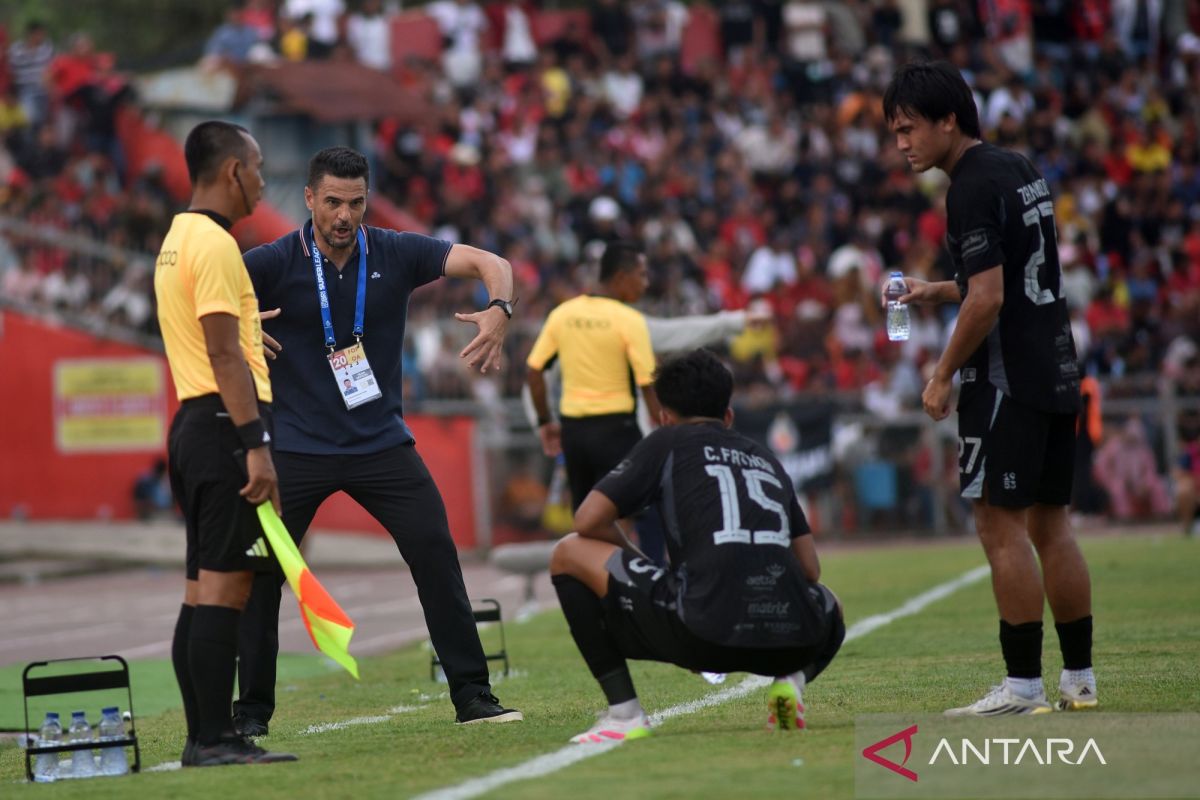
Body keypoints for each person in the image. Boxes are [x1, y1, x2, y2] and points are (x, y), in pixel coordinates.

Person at [235, 146, 521, 732]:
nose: (344, 215)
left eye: (356, 202)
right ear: (309, 198)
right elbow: (195, 295)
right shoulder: (270, 261)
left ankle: (473, 696)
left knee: (437, 555)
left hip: (380, 443)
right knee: (260, 573)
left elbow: (492, 262)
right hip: (296, 446)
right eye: (333, 202)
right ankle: (251, 715)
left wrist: (501, 309)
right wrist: (237, 326)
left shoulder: (395, 249)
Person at [882, 61, 1095, 715]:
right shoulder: (1019, 167)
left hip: (1005, 378)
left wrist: (943, 372)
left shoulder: (968, 187)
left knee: (997, 526)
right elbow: (1001, 277)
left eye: (908, 129)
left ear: (949, 119)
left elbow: (989, 299)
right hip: (1057, 364)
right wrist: (935, 290)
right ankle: (1079, 680)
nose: (902, 144)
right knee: (1051, 525)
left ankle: (1023, 686)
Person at [549, 349, 844, 742]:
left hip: (701, 634)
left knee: (568, 551)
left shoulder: (668, 441)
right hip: (790, 641)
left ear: (664, 417)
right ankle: (791, 682)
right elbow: (810, 570)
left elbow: (587, 520)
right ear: (729, 415)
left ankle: (624, 714)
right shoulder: (766, 456)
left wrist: (645, 569)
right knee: (830, 601)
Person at [155, 120, 296, 766]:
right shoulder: (214, 246)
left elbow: (217, 337)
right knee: (226, 591)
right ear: (233, 172)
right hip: (222, 431)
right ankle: (211, 739)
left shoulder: (178, 239)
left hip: (194, 425)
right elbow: (219, 351)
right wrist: (256, 444)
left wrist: (244, 335)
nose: (264, 181)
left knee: (200, 589)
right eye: (259, 166)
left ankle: (207, 733)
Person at [526, 241, 661, 527]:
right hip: (617, 431)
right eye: (642, 275)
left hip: (574, 433)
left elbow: (534, 372)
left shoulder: (563, 314)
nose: (645, 283)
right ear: (622, 277)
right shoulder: (630, 320)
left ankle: (590, 571)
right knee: (622, 521)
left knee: (586, 522)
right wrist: (664, 434)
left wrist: (545, 422)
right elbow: (648, 384)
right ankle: (624, 572)